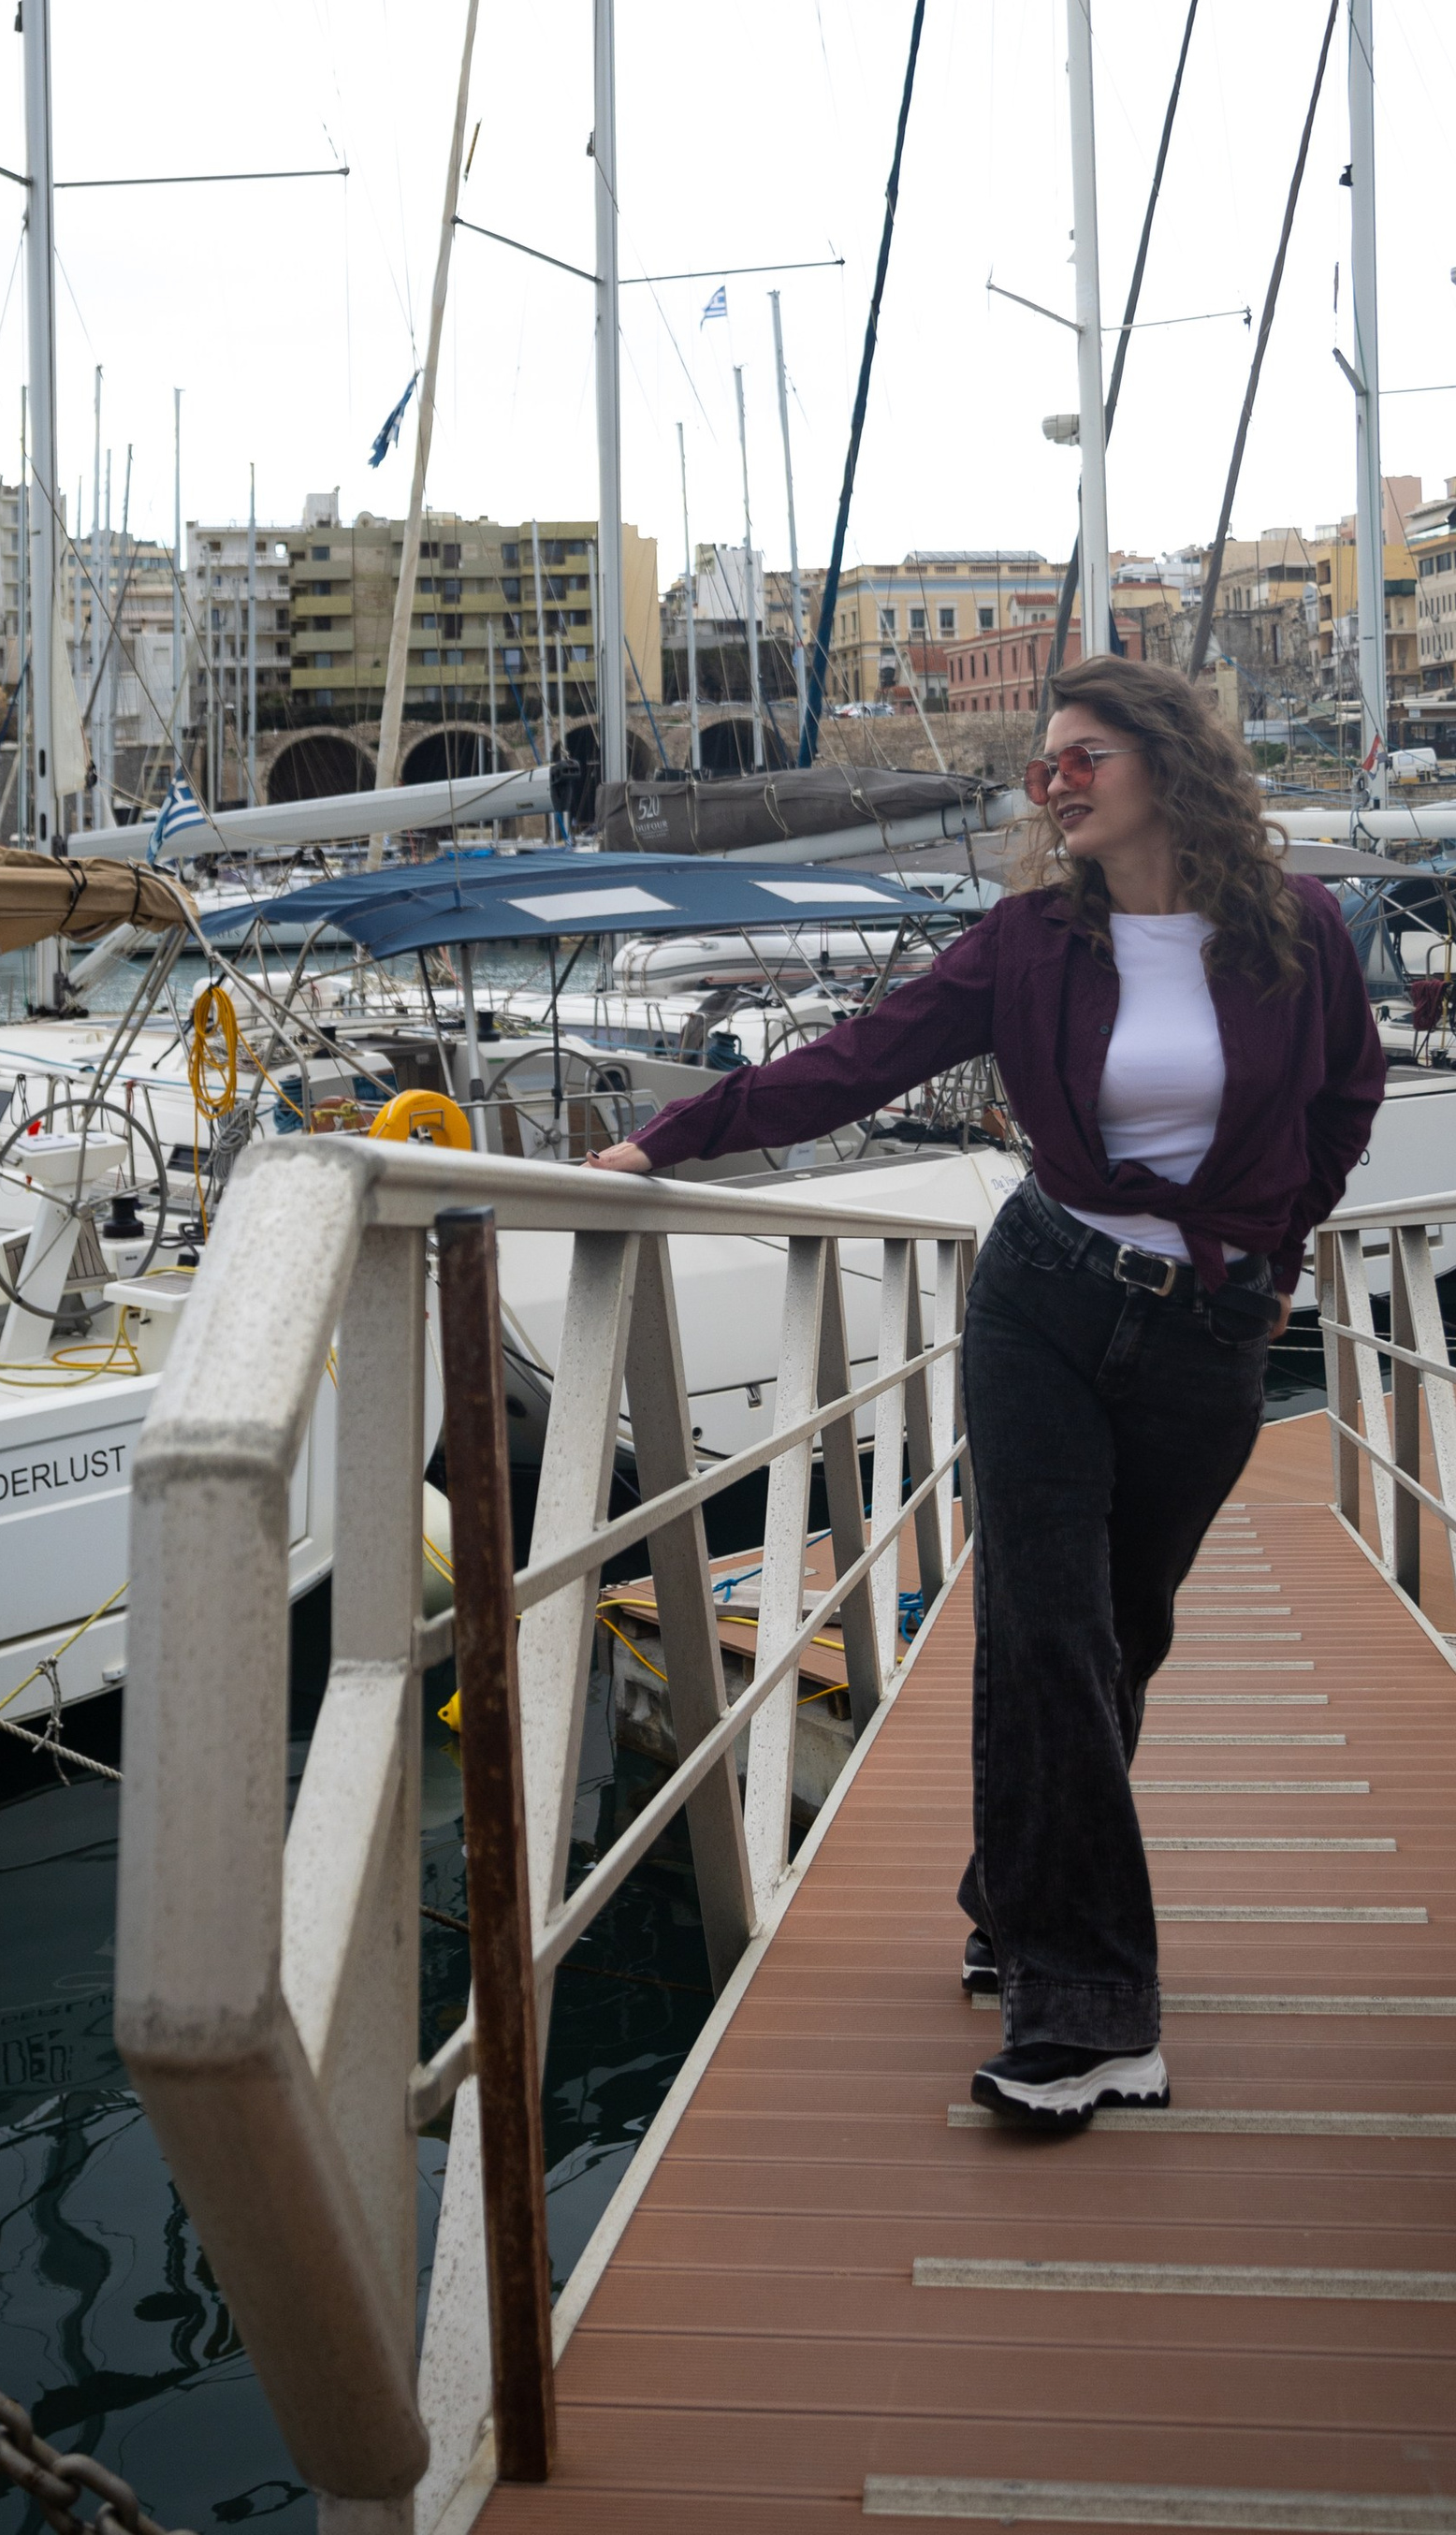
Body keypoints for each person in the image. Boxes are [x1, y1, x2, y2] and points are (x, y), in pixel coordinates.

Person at [589, 654, 1385, 2126]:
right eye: (1044, 767)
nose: (1056, 785)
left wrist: (1277, 1246)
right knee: (1049, 1632)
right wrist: (665, 1143)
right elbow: (855, 1061)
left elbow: (1346, 1097)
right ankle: (1089, 2017)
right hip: (1043, 1304)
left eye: (1083, 757)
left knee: (1114, 1635)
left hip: (1207, 1334)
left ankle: (1009, 1897)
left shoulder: (1296, 933)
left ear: (1167, 764)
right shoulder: (1028, 943)